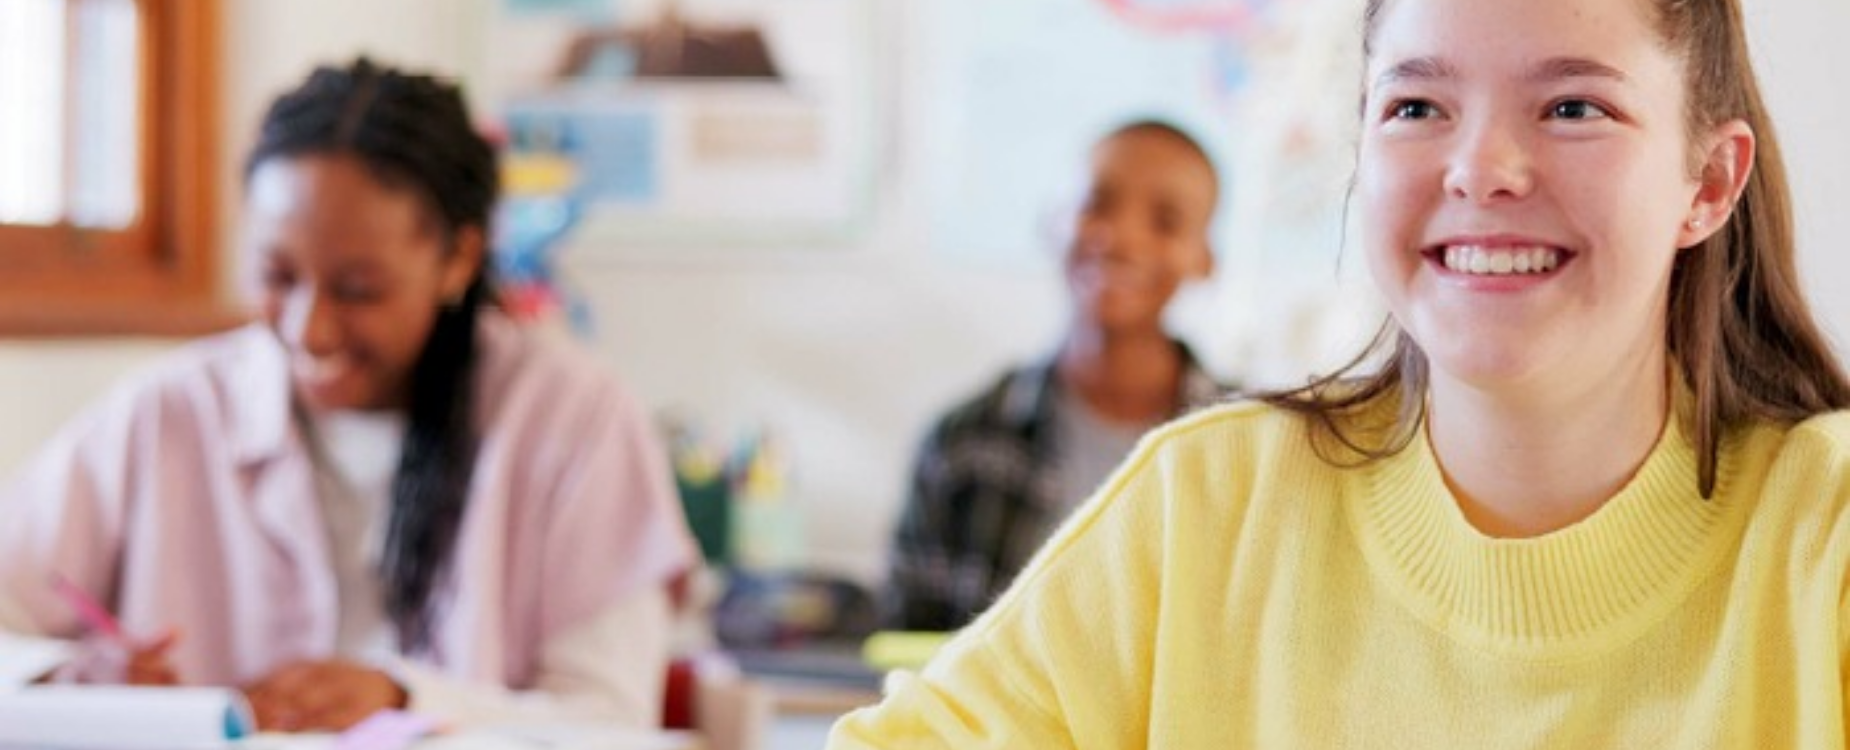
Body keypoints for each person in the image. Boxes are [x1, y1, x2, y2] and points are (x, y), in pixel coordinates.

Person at [831, 0, 1850, 744]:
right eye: (1414, 107)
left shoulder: (1823, 538)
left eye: (1571, 106)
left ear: (1706, 183)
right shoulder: (1207, 507)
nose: (1479, 167)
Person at [0, 59, 697, 732]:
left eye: (359, 290)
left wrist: (406, 697)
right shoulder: (167, 412)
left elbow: (609, 721)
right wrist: (62, 675)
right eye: (276, 274)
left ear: (458, 259)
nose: (311, 327)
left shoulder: (572, 418)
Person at [883, 120, 1233, 632]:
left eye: (1165, 221)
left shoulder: (1245, 447)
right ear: (1054, 221)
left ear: (1204, 260)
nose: (1122, 238)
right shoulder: (963, 443)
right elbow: (910, 655)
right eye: (1098, 204)